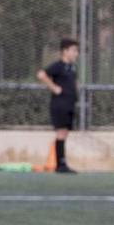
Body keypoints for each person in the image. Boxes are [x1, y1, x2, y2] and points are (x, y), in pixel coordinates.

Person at [35, 38, 80, 173]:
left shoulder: (72, 67)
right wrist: (54, 87)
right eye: (73, 50)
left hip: (69, 104)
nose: (76, 53)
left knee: (65, 132)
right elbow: (41, 74)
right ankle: (60, 165)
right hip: (60, 104)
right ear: (65, 51)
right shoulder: (58, 66)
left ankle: (62, 162)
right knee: (61, 132)